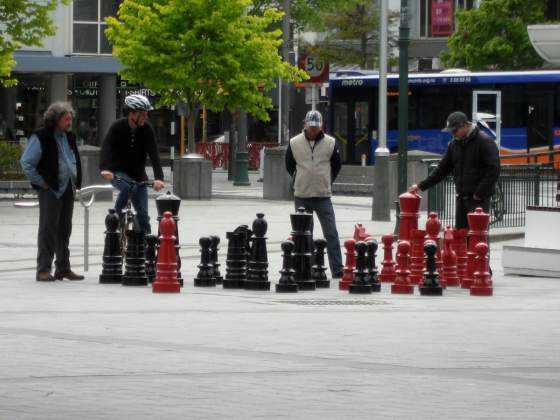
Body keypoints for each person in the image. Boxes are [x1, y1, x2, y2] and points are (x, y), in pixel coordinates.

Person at [20, 102, 84, 282]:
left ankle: (63, 268)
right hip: (51, 189)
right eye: (66, 119)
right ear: (55, 119)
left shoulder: (69, 136)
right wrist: (42, 182)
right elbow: (26, 163)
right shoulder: (41, 137)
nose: (70, 121)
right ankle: (43, 269)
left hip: (68, 188)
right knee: (48, 229)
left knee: (65, 229)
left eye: (71, 118)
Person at [408, 111, 500, 229]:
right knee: (460, 239)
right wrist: (421, 186)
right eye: (451, 131)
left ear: (465, 125)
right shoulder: (454, 144)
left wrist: (479, 194)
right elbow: (442, 169)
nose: (452, 134)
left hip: (478, 201)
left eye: (455, 130)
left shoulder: (484, 141)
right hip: (462, 198)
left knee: (477, 239)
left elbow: (493, 170)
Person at [285, 110, 344, 278]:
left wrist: (326, 181)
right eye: (310, 127)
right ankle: (308, 268)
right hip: (302, 194)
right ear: (305, 125)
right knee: (304, 234)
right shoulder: (294, 142)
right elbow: (289, 165)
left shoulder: (331, 143)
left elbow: (337, 165)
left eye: (316, 127)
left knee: (331, 232)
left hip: (323, 195)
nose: (313, 130)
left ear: (321, 126)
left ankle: (337, 269)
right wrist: (299, 178)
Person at [99, 94, 165, 234]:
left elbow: (154, 155)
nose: (146, 117)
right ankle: (114, 221)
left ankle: (148, 250)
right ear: (132, 114)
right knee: (127, 188)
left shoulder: (147, 129)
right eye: (143, 113)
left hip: (139, 176)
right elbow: (106, 148)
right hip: (118, 172)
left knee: (143, 216)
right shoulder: (117, 127)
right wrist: (105, 169)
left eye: (146, 113)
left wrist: (159, 178)